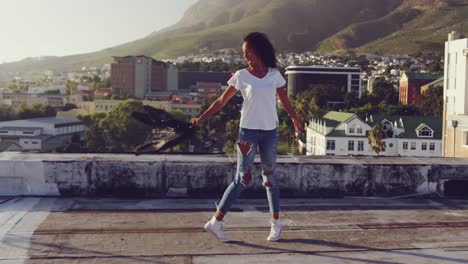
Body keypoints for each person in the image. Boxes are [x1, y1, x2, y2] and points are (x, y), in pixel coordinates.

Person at [190, 32, 302, 242]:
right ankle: (216, 222)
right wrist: (201, 118)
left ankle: (276, 224)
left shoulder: (274, 75)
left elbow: (284, 100)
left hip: (270, 132)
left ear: (259, 50)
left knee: (269, 178)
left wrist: (295, 118)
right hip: (247, 133)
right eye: (244, 53)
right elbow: (221, 102)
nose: (246, 56)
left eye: (249, 51)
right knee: (242, 179)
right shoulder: (241, 76)